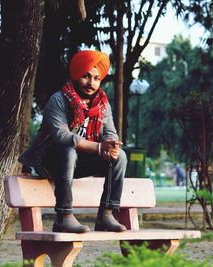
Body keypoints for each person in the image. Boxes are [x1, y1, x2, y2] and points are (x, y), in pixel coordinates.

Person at [19, 50, 128, 233]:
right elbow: (62, 136)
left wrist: (111, 145)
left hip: (78, 163)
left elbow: (110, 133)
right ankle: (64, 216)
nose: (90, 83)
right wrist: (99, 147)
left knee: (120, 157)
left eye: (96, 78)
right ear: (76, 74)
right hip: (48, 161)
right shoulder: (59, 100)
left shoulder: (102, 105)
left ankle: (106, 215)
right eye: (86, 76)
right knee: (68, 149)